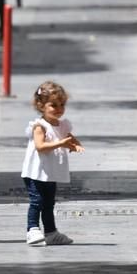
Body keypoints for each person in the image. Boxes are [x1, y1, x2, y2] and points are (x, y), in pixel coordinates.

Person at [21, 81, 84, 246]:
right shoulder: (39, 126)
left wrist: (75, 144)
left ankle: (51, 232)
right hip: (35, 172)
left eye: (62, 104)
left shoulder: (62, 125)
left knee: (49, 203)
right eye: (53, 105)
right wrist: (61, 144)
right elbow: (40, 147)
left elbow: (69, 137)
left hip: (50, 172)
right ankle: (32, 229)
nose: (59, 109)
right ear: (41, 106)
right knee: (37, 201)